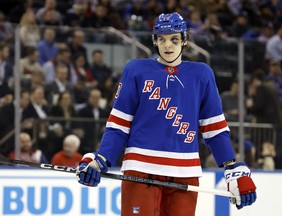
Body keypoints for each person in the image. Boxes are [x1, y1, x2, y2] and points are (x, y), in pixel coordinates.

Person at [76, 12, 257, 215]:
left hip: (184, 173)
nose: (167, 46)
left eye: (174, 39)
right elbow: (119, 124)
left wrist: (232, 168)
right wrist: (101, 159)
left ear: (184, 40)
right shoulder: (136, 70)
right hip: (141, 170)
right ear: (155, 41)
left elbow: (214, 129)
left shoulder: (202, 74)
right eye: (161, 39)